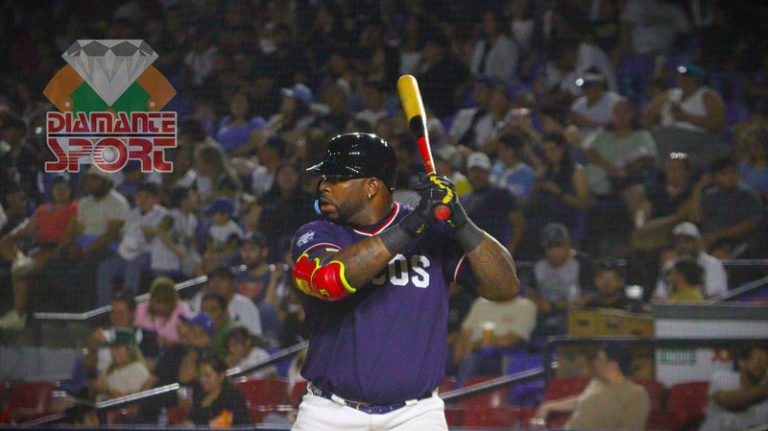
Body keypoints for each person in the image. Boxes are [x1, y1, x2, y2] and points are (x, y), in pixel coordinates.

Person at [289, 133, 519, 430]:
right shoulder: (317, 234)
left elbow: (506, 288)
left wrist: (461, 222)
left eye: (336, 178)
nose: (323, 186)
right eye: (324, 178)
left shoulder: (431, 233)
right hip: (329, 413)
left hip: (416, 415)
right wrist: (414, 225)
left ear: (372, 186)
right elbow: (329, 280)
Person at [0, 174, 77, 328]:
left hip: (55, 248)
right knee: (5, 244)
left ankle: (19, 313)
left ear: (70, 190)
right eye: (57, 189)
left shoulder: (73, 208)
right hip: (37, 247)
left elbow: (69, 233)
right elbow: (27, 229)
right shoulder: (43, 209)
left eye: (64, 189)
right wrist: (10, 237)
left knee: (20, 271)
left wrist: (57, 251)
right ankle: (20, 260)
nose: (61, 192)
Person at [532, 343, 650, 431]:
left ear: (612, 365)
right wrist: (548, 406)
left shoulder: (636, 394)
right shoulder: (597, 382)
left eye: (599, 359)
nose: (595, 363)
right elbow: (581, 400)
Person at [690, 155, 765, 258]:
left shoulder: (747, 195)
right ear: (715, 177)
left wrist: (718, 235)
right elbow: (695, 218)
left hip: (738, 243)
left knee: (719, 255)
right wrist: (698, 189)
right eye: (724, 174)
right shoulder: (709, 195)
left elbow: (752, 224)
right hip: (708, 242)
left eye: (733, 172)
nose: (730, 176)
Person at [453, 294, 537, 383]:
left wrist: (475, 345)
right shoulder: (481, 302)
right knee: (444, 356)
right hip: (470, 350)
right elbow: (465, 331)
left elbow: (511, 340)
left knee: (470, 360)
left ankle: (460, 391)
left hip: (500, 356)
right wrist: (459, 346)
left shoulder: (525, 306)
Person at [528, 223, 594, 335]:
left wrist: (559, 305)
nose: (555, 252)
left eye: (559, 246)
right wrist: (539, 302)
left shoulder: (582, 262)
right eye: (550, 247)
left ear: (568, 245)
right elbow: (529, 295)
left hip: (574, 313)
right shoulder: (538, 264)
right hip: (543, 313)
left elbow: (590, 295)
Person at [461, 152, 526, 257]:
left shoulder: (501, 194)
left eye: (481, 171)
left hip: (496, 253)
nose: (477, 175)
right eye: (474, 170)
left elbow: (518, 224)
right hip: (473, 256)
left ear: (488, 172)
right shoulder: (464, 199)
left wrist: (509, 252)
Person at [699, 344, 768, 431]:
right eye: (756, 360)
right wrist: (764, 390)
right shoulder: (722, 378)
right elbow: (728, 401)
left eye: (766, 362)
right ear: (742, 363)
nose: (762, 365)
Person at [653, 222, 727, 300]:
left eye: (688, 241)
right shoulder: (669, 266)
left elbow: (716, 298)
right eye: (678, 242)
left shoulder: (712, 264)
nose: (682, 246)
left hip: (702, 307)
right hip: (674, 307)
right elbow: (659, 297)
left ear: (698, 242)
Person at [189, 266, 262, 337]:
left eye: (222, 279)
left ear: (233, 284)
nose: (217, 284)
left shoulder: (246, 305)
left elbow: (255, 336)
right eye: (213, 280)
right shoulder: (199, 299)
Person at [185, 352, 250, 427]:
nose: (202, 379)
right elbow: (189, 419)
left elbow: (226, 421)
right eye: (200, 375)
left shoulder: (233, 395)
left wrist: (198, 426)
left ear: (221, 376)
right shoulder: (199, 394)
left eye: (207, 376)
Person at [91, 328, 151, 401]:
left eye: (117, 347)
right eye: (111, 348)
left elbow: (131, 402)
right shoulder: (111, 368)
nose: (113, 352)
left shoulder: (137, 369)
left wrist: (106, 390)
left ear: (129, 348)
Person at [134, 277, 190, 346]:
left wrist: (172, 344)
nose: (161, 307)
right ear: (151, 299)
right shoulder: (141, 309)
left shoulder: (182, 310)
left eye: (165, 303)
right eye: (158, 302)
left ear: (173, 302)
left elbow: (189, 340)